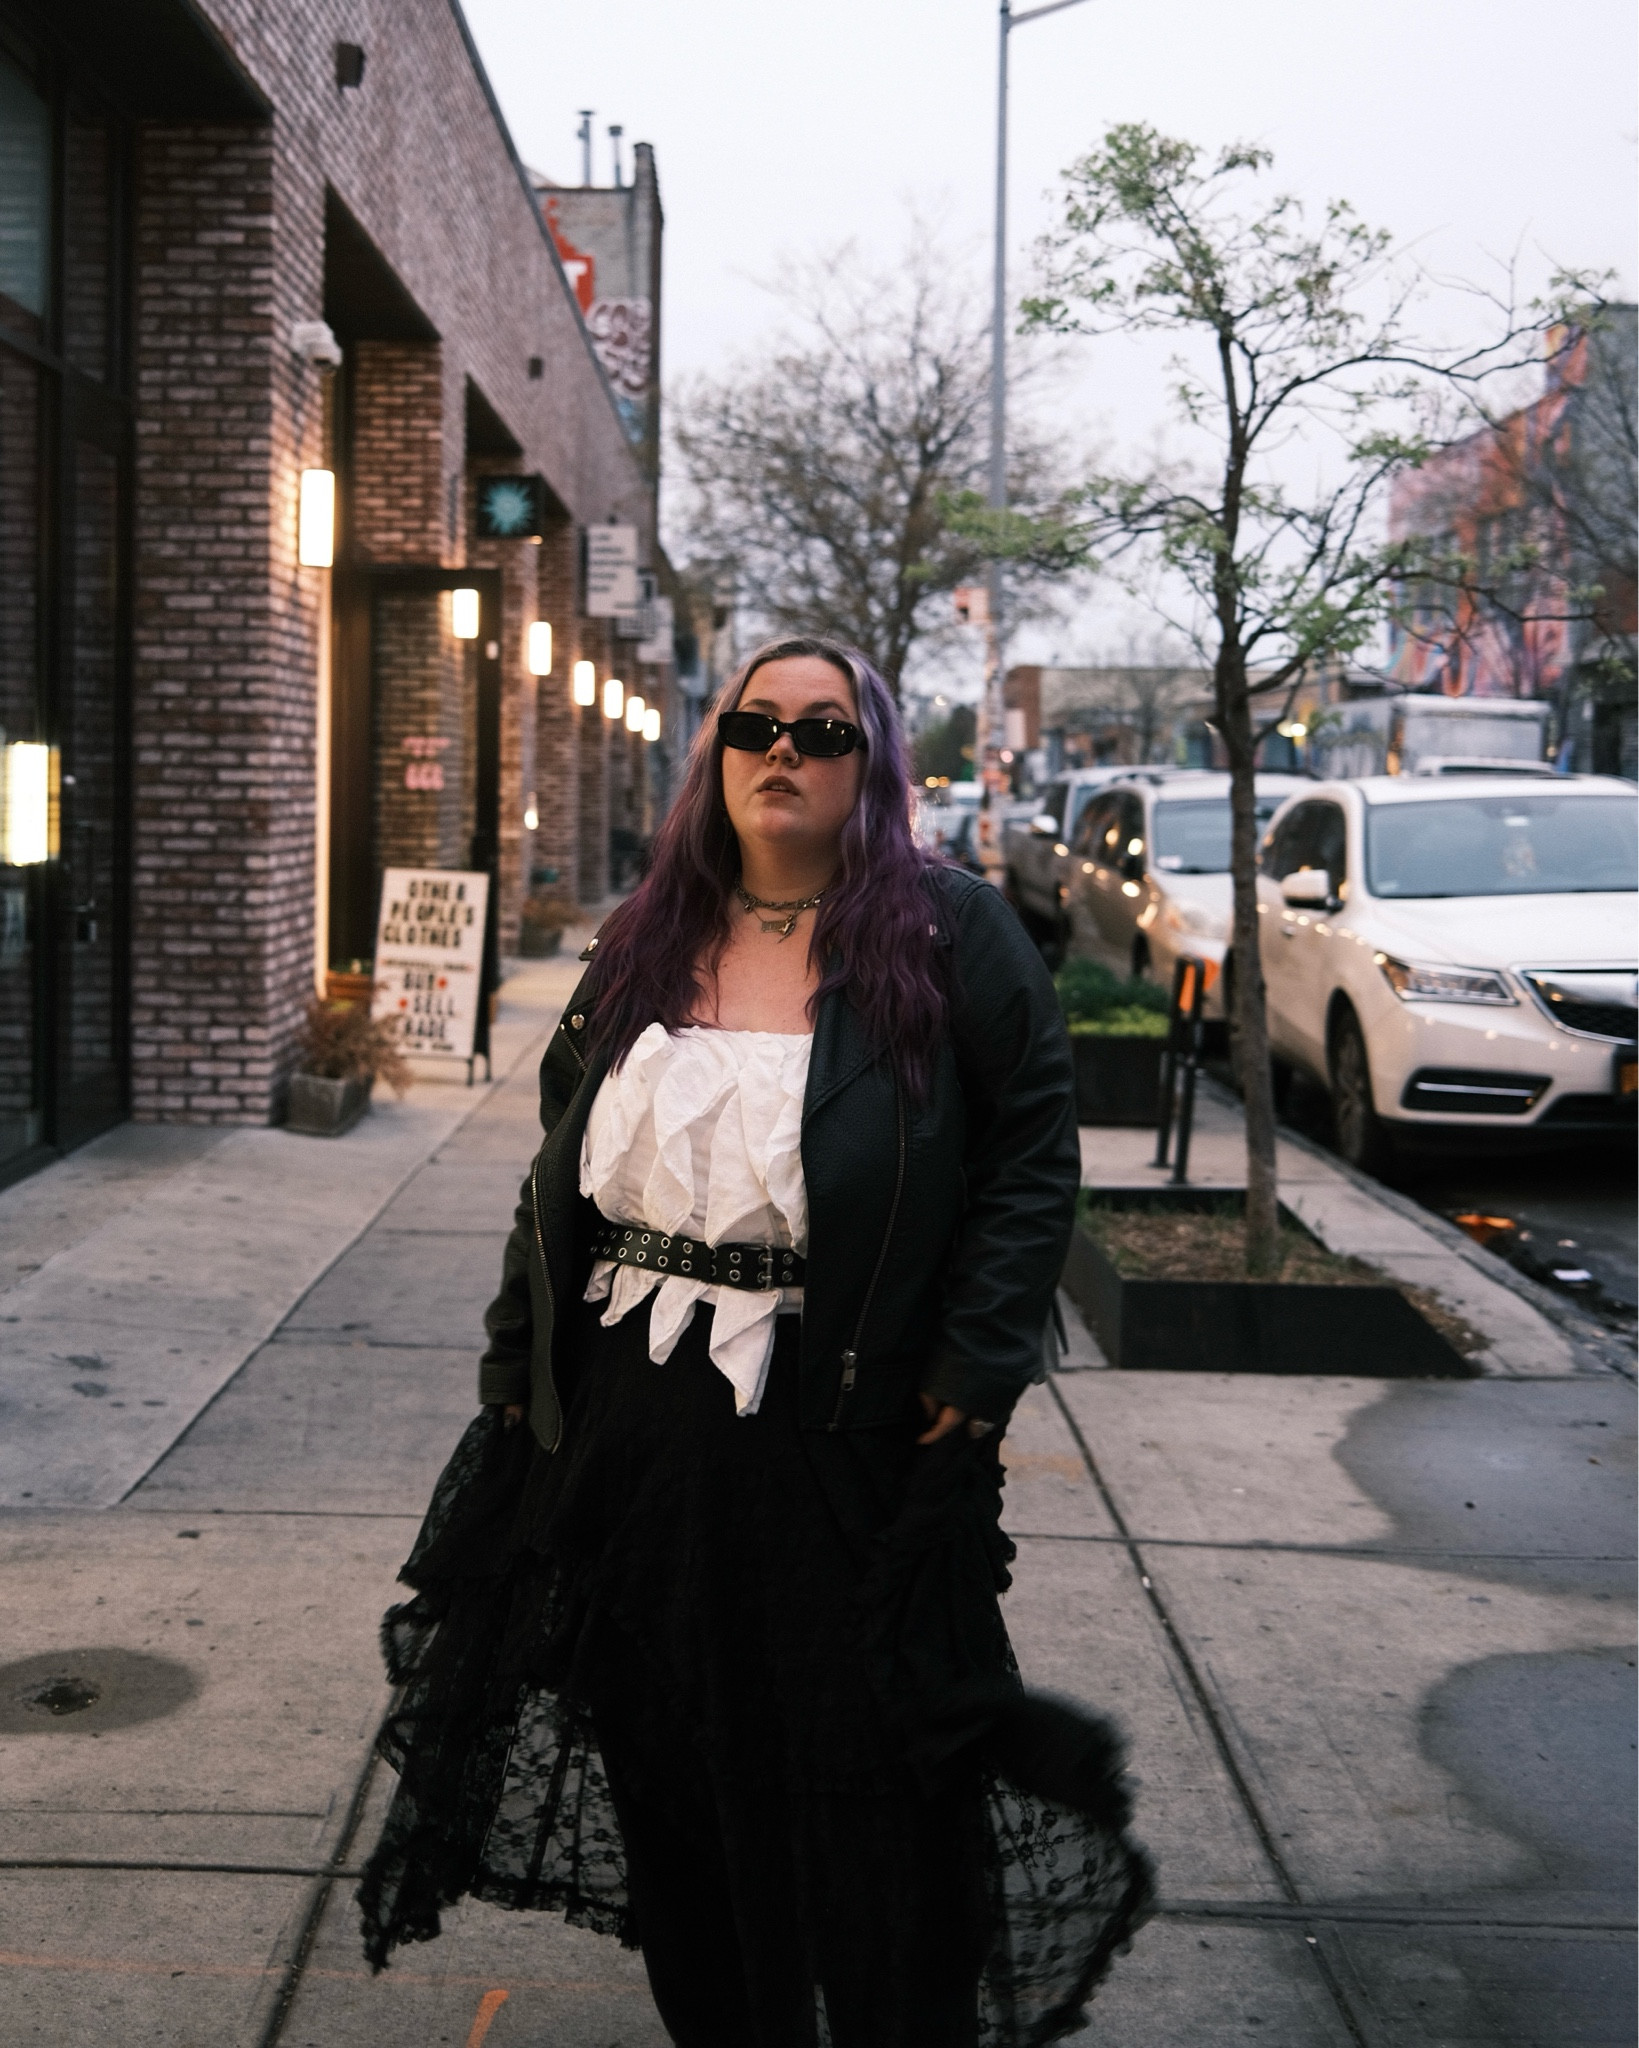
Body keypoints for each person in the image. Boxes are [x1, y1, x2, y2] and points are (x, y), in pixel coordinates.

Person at [357, 636, 1153, 2046]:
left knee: (866, 1808)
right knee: (674, 1789)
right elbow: (560, 1179)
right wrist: (514, 1376)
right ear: (715, 752)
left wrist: (978, 1367)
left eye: (824, 731)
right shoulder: (643, 937)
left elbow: (1033, 1158)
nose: (784, 750)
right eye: (754, 725)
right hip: (632, 1440)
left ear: (874, 763)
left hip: (839, 1444)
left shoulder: (949, 937)